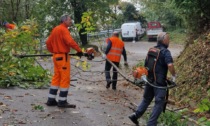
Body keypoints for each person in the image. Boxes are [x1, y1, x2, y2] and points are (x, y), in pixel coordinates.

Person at [128, 32, 176, 126]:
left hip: (149, 80)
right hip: (159, 84)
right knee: (159, 103)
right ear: (164, 40)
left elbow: (146, 65)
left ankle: (135, 115)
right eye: (168, 39)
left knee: (146, 99)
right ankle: (151, 124)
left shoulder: (151, 50)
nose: (169, 41)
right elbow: (170, 65)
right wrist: (174, 75)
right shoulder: (165, 52)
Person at [45, 14, 83, 108]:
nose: (71, 21)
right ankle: (62, 102)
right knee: (65, 78)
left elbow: (48, 43)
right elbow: (69, 41)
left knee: (56, 78)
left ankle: (51, 100)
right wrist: (79, 50)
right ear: (64, 21)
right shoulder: (63, 29)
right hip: (63, 57)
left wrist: (53, 51)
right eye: (69, 20)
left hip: (56, 56)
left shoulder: (55, 29)